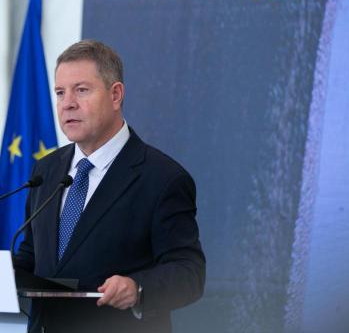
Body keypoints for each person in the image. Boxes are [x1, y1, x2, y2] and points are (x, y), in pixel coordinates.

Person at [13, 40, 205, 333]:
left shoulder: (162, 178)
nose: (68, 104)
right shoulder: (46, 170)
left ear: (115, 95)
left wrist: (137, 288)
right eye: (60, 93)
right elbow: (34, 257)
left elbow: (189, 273)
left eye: (81, 90)